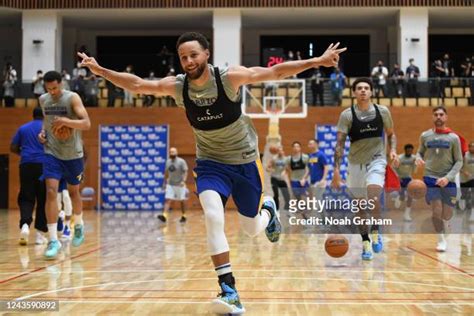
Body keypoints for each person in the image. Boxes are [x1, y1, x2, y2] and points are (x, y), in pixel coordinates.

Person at [78, 31, 345, 314]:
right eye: (183, 57)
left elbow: (275, 71)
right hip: (209, 163)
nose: (189, 61)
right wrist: (99, 70)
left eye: (194, 55)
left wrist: (318, 60)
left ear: (206, 54)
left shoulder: (229, 78)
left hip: (243, 161)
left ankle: (268, 210)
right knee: (214, 217)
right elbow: (138, 84)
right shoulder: (178, 87)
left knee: (251, 228)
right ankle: (228, 288)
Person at [332, 77, 398, 261]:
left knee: (373, 195)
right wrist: (336, 171)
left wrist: (392, 150)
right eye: (359, 88)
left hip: (376, 160)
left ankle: (376, 231)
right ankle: (366, 241)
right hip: (354, 164)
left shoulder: (382, 111)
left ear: (371, 92)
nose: (363, 90)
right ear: (354, 93)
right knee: (360, 207)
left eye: (366, 88)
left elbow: (391, 135)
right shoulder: (347, 115)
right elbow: (339, 145)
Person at [37, 70, 91, 259]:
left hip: (74, 154)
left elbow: (86, 123)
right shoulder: (44, 100)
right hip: (52, 152)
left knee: (74, 192)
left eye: (55, 87)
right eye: (48, 88)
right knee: (51, 191)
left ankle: (78, 225)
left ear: (61, 84)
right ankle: (53, 240)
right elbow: (47, 122)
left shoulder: (72, 98)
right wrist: (43, 133)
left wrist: (66, 122)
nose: (52, 91)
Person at [415, 106, 463, 252]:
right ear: (432, 117)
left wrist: (448, 178)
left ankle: (446, 226)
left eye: (441, 114)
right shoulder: (425, 136)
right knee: (436, 211)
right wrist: (418, 159)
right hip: (430, 178)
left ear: (446, 117)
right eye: (436, 114)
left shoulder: (454, 138)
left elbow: (459, 161)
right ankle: (440, 239)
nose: (438, 117)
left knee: (447, 214)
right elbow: (419, 152)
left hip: (448, 179)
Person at [10, 107, 48, 246]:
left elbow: (13, 147)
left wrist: (24, 154)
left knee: (26, 197)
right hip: (43, 166)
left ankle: (25, 226)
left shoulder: (23, 128)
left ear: (33, 115)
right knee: (43, 198)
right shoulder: (46, 129)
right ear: (43, 116)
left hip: (25, 165)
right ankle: (39, 234)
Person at [157, 147, 189, 223]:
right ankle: (164, 215)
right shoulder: (168, 162)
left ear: (176, 153)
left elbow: (185, 172)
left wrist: (183, 181)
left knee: (182, 200)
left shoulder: (181, 161)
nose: (172, 153)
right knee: (168, 199)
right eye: (171, 152)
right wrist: (165, 182)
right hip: (170, 184)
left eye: (173, 152)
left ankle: (184, 215)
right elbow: (166, 173)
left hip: (180, 184)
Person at [394, 144, 417, 221]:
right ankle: (399, 197)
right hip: (400, 178)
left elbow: (415, 171)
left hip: (408, 178)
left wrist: (414, 164)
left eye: (411, 150)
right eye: (408, 150)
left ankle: (406, 214)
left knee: (410, 195)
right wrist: (397, 177)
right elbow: (393, 168)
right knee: (402, 197)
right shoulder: (399, 158)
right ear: (405, 150)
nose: (409, 152)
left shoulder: (414, 158)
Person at [266, 145, 290, 211]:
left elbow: (288, 169)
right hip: (274, 179)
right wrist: (270, 170)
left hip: (282, 179)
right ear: (277, 151)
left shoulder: (286, 159)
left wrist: (284, 172)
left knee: (286, 194)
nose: (280, 151)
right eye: (278, 150)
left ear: (283, 151)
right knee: (276, 194)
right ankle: (276, 208)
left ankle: (287, 207)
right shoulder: (274, 159)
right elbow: (267, 167)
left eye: (281, 150)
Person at [460, 141, 474, 219]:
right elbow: (459, 166)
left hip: (472, 178)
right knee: (464, 195)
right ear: (469, 147)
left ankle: (470, 205)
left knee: (473, 191)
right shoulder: (464, 155)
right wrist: (464, 172)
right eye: (472, 147)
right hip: (464, 179)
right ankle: (464, 205)